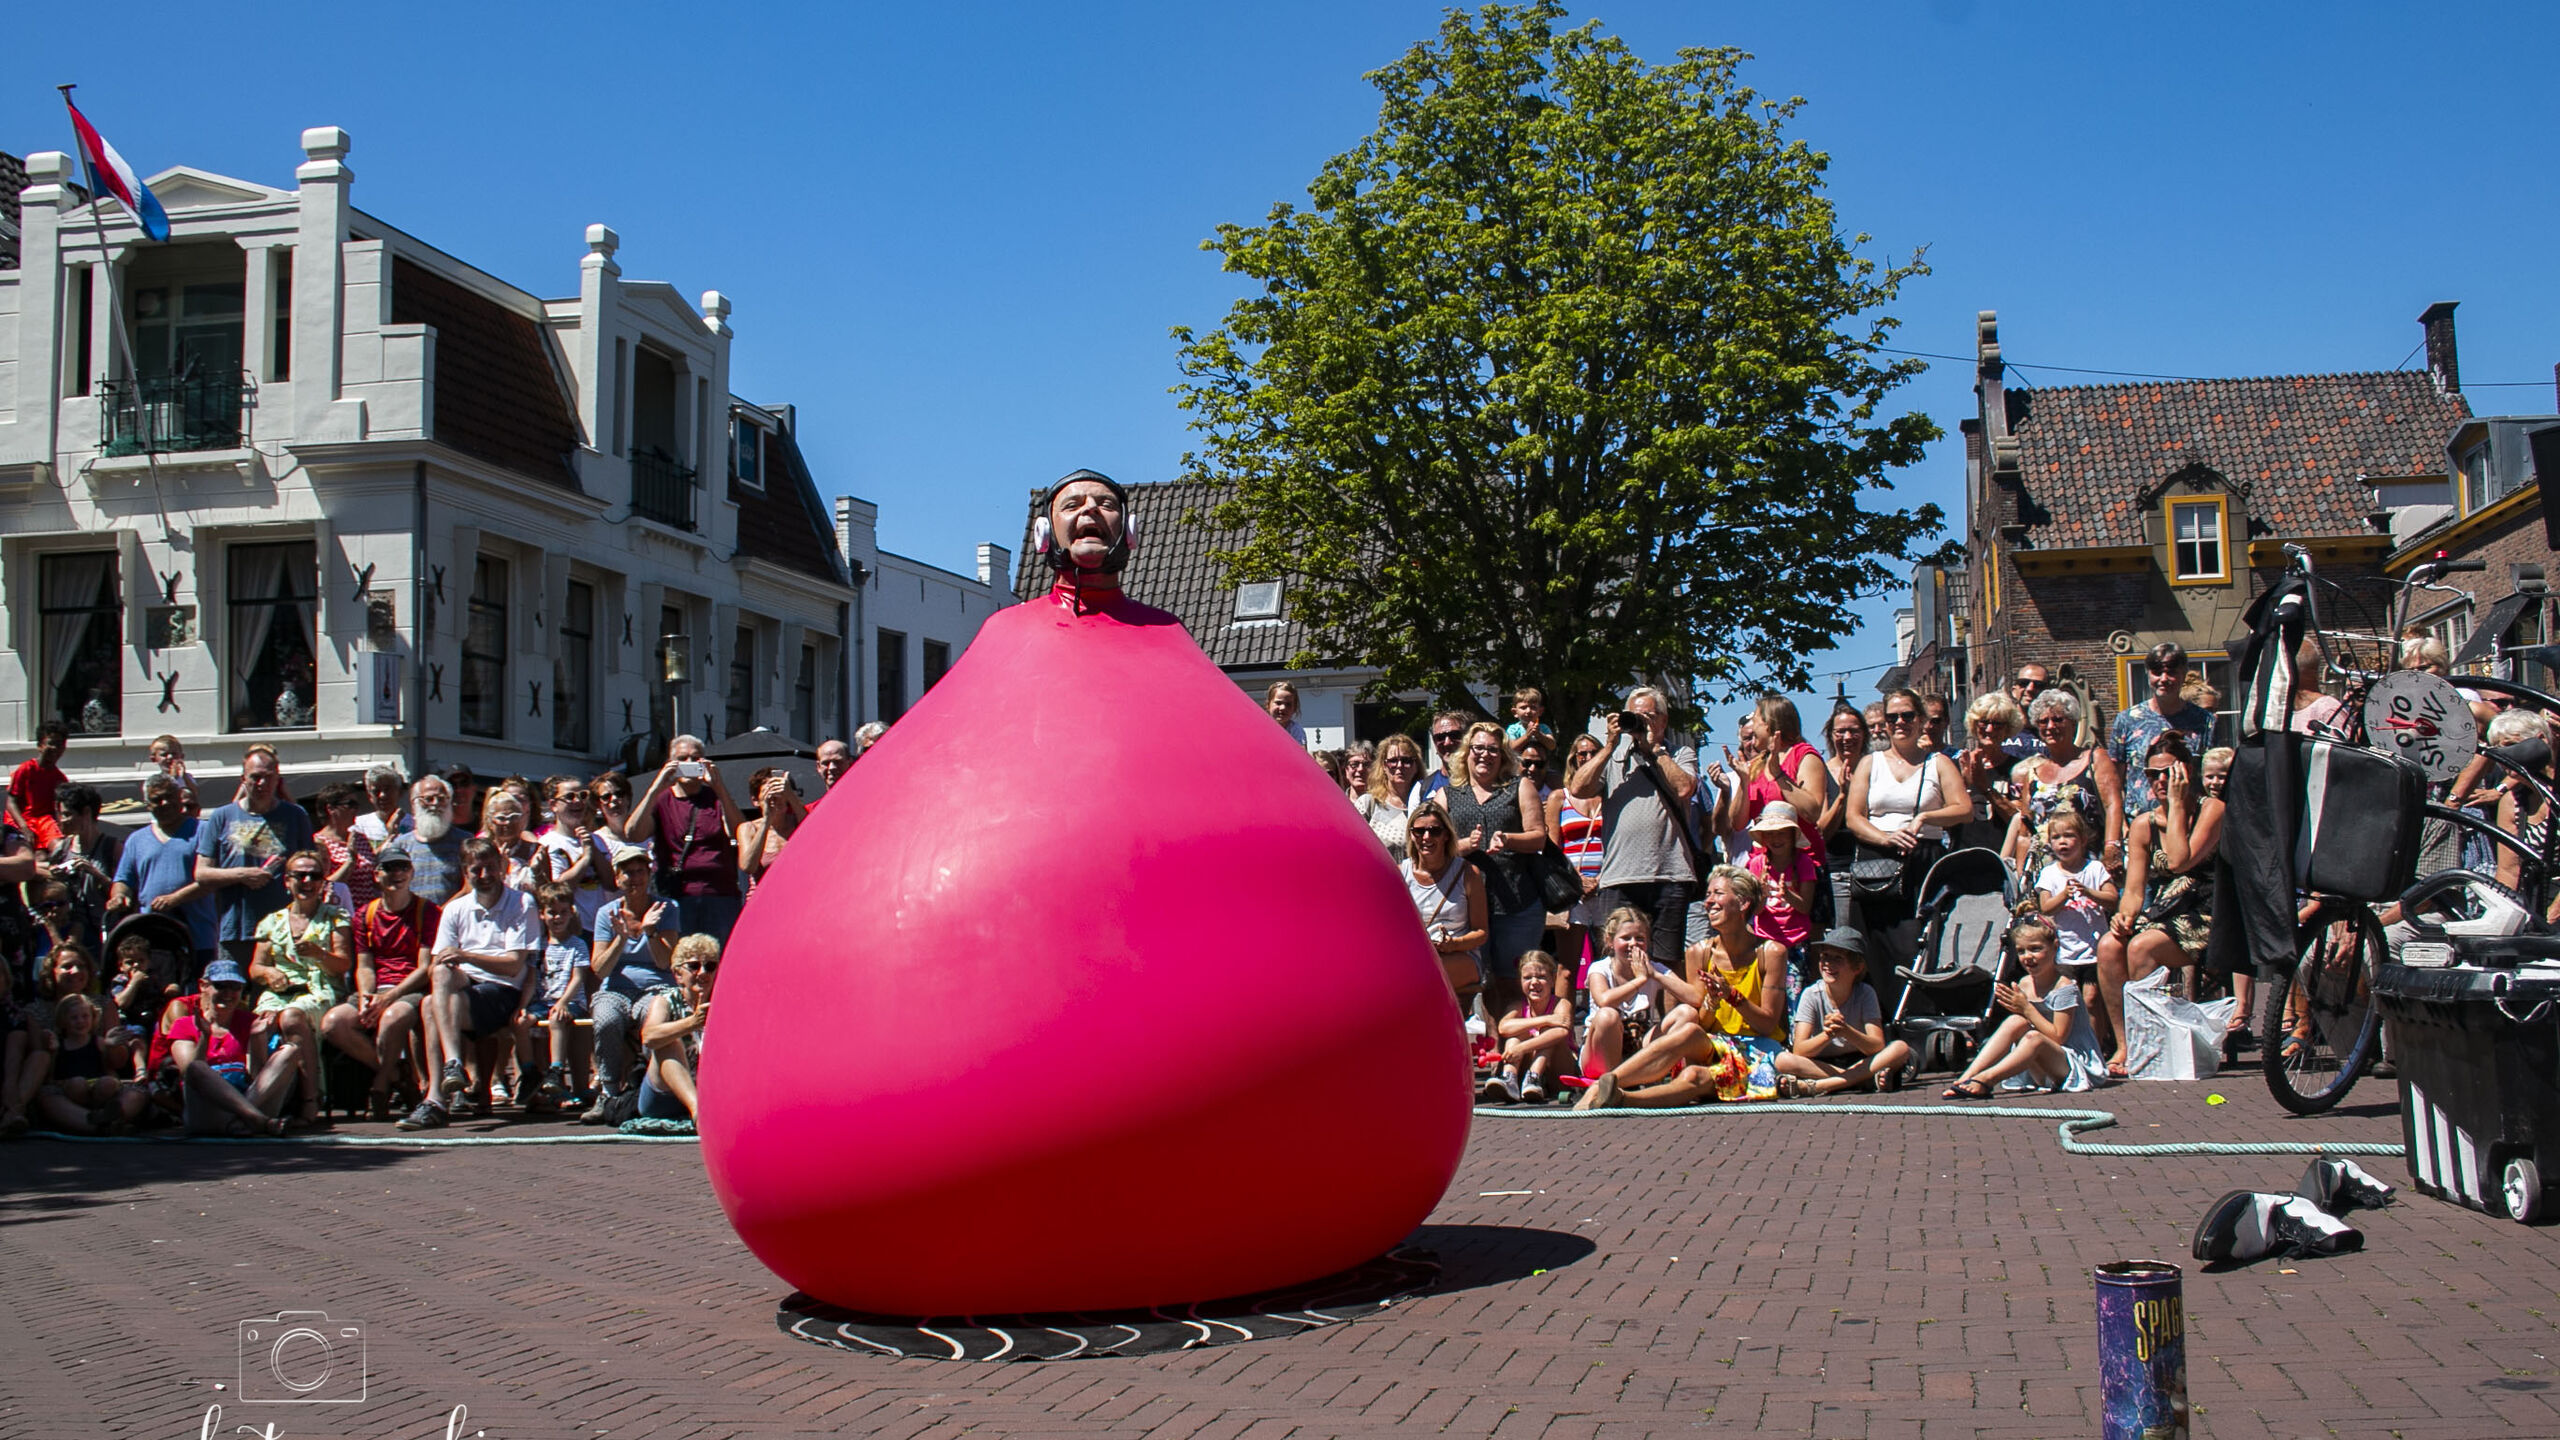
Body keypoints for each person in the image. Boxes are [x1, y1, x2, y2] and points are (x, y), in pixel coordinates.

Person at [1577, 868, 1784, 1107]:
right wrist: (1713, 1002)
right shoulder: (1699, 951)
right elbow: (1702, 1017)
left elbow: (1767, 1025)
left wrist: (1731, 996)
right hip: (1713, 1044)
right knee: (1689, 1027)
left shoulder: (1771, 952)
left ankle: (1618, 1096)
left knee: (1692, 1075)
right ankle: (1605, 1083)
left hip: (1751, 1047)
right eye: (1708, 894)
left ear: (1743, 903)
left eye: (1717, 893)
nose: (1708, 902)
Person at [2095, 732, 2224, 1079]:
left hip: (2210, 909)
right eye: (2153, 774)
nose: (2161, 781)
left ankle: (2154, 1042)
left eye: (2169, 772)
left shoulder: (2212, 810)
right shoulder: (2144, 823)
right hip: (2167, 909)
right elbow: (2135, 891)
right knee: (2110, 946)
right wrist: (2123, 915)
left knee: (2142, 948)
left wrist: (2179, 806)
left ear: (2188, 772)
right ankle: (2127, 1043)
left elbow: (2181, 861)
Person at [1842, 690, 1971, 1011]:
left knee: (1915, 947)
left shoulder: (1938, 763)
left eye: (1908, 716)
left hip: (1923, 864)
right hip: (1877, 867)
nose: (1900, 723)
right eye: (1892, 717)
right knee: (1874, 954)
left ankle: (1918, 1028)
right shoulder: (1870, 764)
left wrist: (1925, 816)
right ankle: (1881, 1029)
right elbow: (1854, 817)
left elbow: (1963, 808)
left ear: (1922, 721)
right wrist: (1885, 838)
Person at [402, 839, 538, 1129]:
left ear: (502, 866)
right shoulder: (455, 909)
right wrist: (454, 962)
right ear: (465, 871)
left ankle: (436, 1099)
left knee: (429, 1007)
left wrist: (465, 956)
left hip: (503, 989)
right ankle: (450, 1071)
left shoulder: (521, 903)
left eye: (491, 867)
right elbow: (437, 962)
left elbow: (514, 964)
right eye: (477, 870)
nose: (485, 875)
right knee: (438, 978)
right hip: (465, 987)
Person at [1566, 686, 1702, 958]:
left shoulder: (1679, 753)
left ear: (1663, 720)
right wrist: (1608, 746)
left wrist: (1655, 749)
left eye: (1649, 716)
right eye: (1634, 715)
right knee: (1618, 963)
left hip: (1670, 875)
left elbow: (1685, 788)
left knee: (1665, 964)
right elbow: (1578, 788)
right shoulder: (1615, 756)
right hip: (1620, 877)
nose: (1640, 721)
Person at [1443, 721, 1547, 1022]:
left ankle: (1516, 1052)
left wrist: (1509, 839)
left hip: (1517, 902)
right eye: (1478, 748)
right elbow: (1432, 844)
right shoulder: (1449, 795)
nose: (1485, 755)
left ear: (1503, 756)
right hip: (1468, 905)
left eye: (1493, 750)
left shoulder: (1519, 786)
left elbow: (1539, 836)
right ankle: (1493, 1051)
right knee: (1480, 982)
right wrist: (1464, 845)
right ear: (1467, 753)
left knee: (1515, 980)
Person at [325, 847, 436, 1119]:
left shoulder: (428, 911)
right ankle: (398, 1074)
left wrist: (388, 998)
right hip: (377, 988)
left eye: (402, 868)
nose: (396, 874)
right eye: (389, 868)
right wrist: (366, 997)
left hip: (411, 989)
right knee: (333, 1023)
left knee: (391, 1018)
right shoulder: (365, 914)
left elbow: (425, 968)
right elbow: (364, 965)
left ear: (411, 873)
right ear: (376, 875)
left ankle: (380, 1085)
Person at [1944, 916, 2103, 1097]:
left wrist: (2027, 1009)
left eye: (2036, 949)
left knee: (2033, 1037)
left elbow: (2059, 1037)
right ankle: (1967, 1076)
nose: (2028, 957)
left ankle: (1986, 1079)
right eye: (2021, 951)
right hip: (2041, 1065)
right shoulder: (2024, 983)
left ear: (2055, 947)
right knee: (2015, 1021)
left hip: (2073, 1064)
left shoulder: (2064, 987)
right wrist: (2021, 1011)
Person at [248, 848, 350, 1129]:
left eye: (314, 875)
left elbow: (343, 965)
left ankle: (309, 1100)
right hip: (280, 991)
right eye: (299, 875)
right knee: (258, 1027)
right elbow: (255, 968)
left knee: (292, 1016)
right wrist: (269, 973)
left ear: (323, 881)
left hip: (320, 989)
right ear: (287, 881)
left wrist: (320, 954)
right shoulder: (271, 922)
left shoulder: (335, 916)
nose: (307, 881)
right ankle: (262, 1100)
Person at [583, 842, 681, 1123]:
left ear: (649, 874)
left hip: (656, 986)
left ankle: (656, 1092)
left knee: (656, 1023)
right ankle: (609, 1093)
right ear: (617, 878)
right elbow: (600, 969)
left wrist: (650, 932)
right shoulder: (607, 914)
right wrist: (622, 937)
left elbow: (666, 962)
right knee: (606, 1020)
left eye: (640, 871)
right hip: (616, 988)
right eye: (628, 873)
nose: (634, 878)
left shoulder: (667, 908)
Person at [194, 746, 314, 972]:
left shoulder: (296, 816)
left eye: (268, 778)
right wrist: (242, 875)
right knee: (233, 996)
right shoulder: (222, 816)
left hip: (283, 930)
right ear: (243, 779)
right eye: (255, 777)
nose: (262, 784)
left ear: (278, 779)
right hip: (235, 930)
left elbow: (311, 868)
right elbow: (201, 874)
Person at [624, 735, 745, 942]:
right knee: (681, 961)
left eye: (695, 758)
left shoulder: (716, 798)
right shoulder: (662, 800)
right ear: (671, 764)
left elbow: (739, 831)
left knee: (715, 961)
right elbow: (633, 833)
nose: (689, 764)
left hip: (719, 896)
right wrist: (656, 787)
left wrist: (719, 787)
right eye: (682, 759)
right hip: (678, 896)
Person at [152, 959, 292, 1136]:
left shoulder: (250, 1022)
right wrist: (205, 1036)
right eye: (221, 986)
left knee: (289, 1051)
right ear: (203, 986)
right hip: (206, 1110)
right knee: (196, 1066)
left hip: (250, 1098)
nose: (228, 993)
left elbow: (256, 1077)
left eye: (235, 987)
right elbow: (190, 1075)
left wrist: (257, 1038)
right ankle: (257, 1120)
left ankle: (244, 1119)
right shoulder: (184, 1025)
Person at [108, 776, 217, 986]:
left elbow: (212, 878)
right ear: (148, 805)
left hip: (198, 935)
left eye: (169, 797)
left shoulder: (202, 831)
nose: (165, 803)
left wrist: (175, 898)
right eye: (157, 799)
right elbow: (123, 879)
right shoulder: (136, 840)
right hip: (153, 937)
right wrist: (119, 896)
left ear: (179, 797)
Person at [1777, 928, 1913, 1095]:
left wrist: (1846, 1031)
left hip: (1860, 1060)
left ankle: (1821, 1086)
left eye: (1837, 958)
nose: (1828, 963)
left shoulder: (1865, 993)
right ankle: (1860, 1080)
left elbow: (1876, 1046)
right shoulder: (1811, 995)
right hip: (1822, 1063)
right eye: (1825, 956)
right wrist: (1829, 1034)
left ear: (1857, 967)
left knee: (1900, 1048)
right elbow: (1800, 1050)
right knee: (1783, 1060)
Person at [2004, 689, 2123, 878]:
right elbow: (2025, 833)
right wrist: (2021, 875)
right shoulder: (2033, 773)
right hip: (2046, 875)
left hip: (2089, 868)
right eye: (2043, 721)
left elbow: (2113, 805)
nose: (2050, 726)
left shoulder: (2095, 758)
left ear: (2073, 723)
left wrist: (2111, 848)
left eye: (2058, 719)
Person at [2032, 809, 2118, 1053]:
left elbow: (2112, 899)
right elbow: (2046, 907)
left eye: (2068, 836)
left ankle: (2095, 1048)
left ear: (2082, 839)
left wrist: (2090, 892)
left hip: (2094, 952)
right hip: (2065, 953)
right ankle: (2071, 1048)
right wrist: (2064, 895)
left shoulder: (2094, 869)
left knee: (2091, 1001)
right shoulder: (2049, 874)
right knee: (2067, 1002)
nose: (2062, 842)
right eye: (2056, 837)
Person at [2109, 643, 2216, 828]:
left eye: (2171, 672)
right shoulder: (2127, 720)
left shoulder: (2204, 721)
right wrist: (2122, 829)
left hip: (2189, 826)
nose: (2163, 679)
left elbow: (2211, 776)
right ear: (2148, 674)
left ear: (2184, 674)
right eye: (2157, 672)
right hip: (2139, 827)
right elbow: (2114, 782)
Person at [1577, 907, 1688, 1078]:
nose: (1633, 944)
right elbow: (1604, 1000)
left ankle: (1643, 1074)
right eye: (1625, 938)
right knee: (1608, 1016)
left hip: (1638, 1047)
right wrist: (1640, 981)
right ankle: (1613, 1082)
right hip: (1599, 1055)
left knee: (1685, 1013)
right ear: (1610, 941)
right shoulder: (1599, 968)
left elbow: (1694, 998)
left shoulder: (1652, 969)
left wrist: (1655, 975)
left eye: (1640, 938)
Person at [1722, 695, 1830, 865]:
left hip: (1802, 866)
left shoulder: (1803, 755)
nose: (1752, 729)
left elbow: (1812, 812)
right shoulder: (1757, 764)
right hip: (1763, 865)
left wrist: (1778, 774)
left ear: (1769, 724)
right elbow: (1737, 823)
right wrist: (1744, 781)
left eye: (1756, 721)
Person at [518, 880, 593, 1114]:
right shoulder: (538, 946)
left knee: (556, 1018)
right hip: (544, 1001)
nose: (557, 918)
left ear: (570, 913)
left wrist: (562, 1002)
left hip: (570, 1001)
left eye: (562, 912)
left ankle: (556, 1070)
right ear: (542, 914)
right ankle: (530, 1073)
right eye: (552, 912)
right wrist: (522, 1007)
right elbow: (531, 979)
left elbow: (578, 977)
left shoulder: (577, 944)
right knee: (520, 1022)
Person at [1402, 801, 1488, 1001]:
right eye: (1419, 831)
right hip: (1417, 957)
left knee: (1421, 974)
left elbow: (1481, 933)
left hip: (1460, 955)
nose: (1426, 837)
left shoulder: (1467, 873)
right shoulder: (1402, 874)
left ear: (1446, 835)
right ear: (1411, 835)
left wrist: (1454, 944)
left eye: (1434, 831)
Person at [28, 992, 148, 1135]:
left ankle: (103, 1117)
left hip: (98, 1086)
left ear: (93, 1018)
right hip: (71, 1089)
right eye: (74, 1018)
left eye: (85, 1016)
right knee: (77, 1084)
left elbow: (109, 1068)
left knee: (108, 1083)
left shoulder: (98, 1041)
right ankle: (103, 1122)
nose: (80, 1021)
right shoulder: (59, 1044)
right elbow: (51, 1075)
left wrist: (111, 1047)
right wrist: (52, 1051)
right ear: (63, 1021)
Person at [633, 933, 721, 1127]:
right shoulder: (665, 1000)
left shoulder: (724, 1001)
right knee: (668, 1042)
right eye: (694, 966)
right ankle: (698, 1111)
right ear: (678, 974)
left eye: (710, 966)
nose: (703, 973)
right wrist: (692, 1023)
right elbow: (649, 1037)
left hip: (712, 1092)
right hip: (664, 1097)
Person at [1546, 732, 1608, 985]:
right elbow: (1551, 849)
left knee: (1610, 965)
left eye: (1594, 753)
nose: (1588, 758)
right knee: (1568, 968)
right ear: (1573, 759)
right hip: (1573, 890)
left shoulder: (1611, 795)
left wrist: (1601, 880)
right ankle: (1564, 1022)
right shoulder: (1559, 798)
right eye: (1582, 753)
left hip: (1607, 885)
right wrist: (1577, 880)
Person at [1742, 802, 1818, 997]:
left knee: (1795, 994)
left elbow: (1805, 907)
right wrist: (1762, 894)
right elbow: (1756, 911)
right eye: (1770, 833)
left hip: (1796, 940)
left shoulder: (1804, 863)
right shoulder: (1757, 864)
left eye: (1781, 832)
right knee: (1767, 994)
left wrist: (1788, 895)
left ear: (1793, 835)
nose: (1775, 839)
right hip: (1766, 939)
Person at [1487, 950, 1574, 1104]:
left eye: (1541, 977)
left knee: (1548, 1033)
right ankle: (1510, 1078)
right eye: (1527, 978)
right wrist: (1546, 1019)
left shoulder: (1561, 1004)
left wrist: (1521, 1048)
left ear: (1553, 980)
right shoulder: (1518, 1006)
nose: (1534, 982)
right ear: (1520, 982)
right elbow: (1503, 1028)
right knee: (1515, 1036)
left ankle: (1535, 1078)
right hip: (1525, 1068)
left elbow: (1561, 1030)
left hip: (1559, 1070)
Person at [535, 776, 614, 931]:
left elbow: (611, 884)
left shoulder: (597, 840)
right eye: (569, 797)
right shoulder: (548, 844)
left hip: (600, 929)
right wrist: (586, 859)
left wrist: (593, 849)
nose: (577, 801)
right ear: (553, 805)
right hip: (571, 930)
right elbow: (557, 892)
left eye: (582, 796)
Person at [1952, 693, 2029, 850]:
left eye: (1998, 724)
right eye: (1984, 722)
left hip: (2003, 857)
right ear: (1974, 724)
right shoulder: (1958, 765)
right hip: (1963, 856)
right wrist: (1964, 785)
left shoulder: (2018, 769)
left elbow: (2021, 822)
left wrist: (1986, 788)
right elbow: (1947, 820)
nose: (1990, 729)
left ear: (2008, 728)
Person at [383, 775, 465, 905]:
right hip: (412, 922)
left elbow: (469, 889)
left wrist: (441, 913)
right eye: (428, 799)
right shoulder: (401, 846)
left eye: (442, 799)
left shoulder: (464, 842)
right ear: (414, 803)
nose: (435, 804)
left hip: (452, 921)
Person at [311, 782, 380, 917]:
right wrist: (350, 862)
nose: (355, 810)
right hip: (338, 915)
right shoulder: (318, 843)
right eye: (350, 804)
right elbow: (321, 887)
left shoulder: (359, 839)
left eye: (356, 805)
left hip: (366, 915)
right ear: (330, 808)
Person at [736, 767, 807, 890]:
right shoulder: (748, 828)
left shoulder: (798, 822)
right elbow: (748, 866)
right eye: (768, 794)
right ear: (756, 800)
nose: (775, 799)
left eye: (779, 793)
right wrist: (767, 821)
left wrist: (790, 795)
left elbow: (814, 832)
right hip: (763, 899)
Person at [1356, 734, 1423, 862]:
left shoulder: (1425, 804)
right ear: (1384, 767)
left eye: (1406, 761)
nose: (1399, 766)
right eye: (1393, 761)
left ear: (1416, 766)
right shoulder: (1368, 804)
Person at [7, 722, 70, 850]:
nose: (55, 748)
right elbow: (11, 802)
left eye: (60, 744)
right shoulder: (25, 769)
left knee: (59, 849)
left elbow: (57, 810)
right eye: (51, 743)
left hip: (44, 822)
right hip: (22, 821)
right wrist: (23, 827)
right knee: (31, 854)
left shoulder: (60, 779)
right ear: (40, 746)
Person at [477, 790, 541, 892]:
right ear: (490, 822)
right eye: (501, 818)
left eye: (514, 817)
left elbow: (547, 890)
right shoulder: (481, 852)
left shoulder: (536, 851)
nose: (508, 822)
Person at [352, 764, 412, 849]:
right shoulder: (359, 825)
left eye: (388, 789)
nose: (382, 795)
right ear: (369, 796)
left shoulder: (414, 824)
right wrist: (390, 836)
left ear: (400, 792)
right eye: (376, 791)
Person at [1420, 711, 1472, 802]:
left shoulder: (1483, 782)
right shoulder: (1422, 788)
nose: (1447, 742)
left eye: (1454, 735)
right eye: (1440, 737)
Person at [2005, 664, 2053, 759]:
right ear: (2014, 690)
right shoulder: (1999, 728)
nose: (2030, 689)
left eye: (2039, 685)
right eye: (2024, 683)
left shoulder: (2053, 731)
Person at [148, 734, 200, 812]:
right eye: (164, 755)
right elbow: (161, 798)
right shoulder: (154, 780)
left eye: (174, 754)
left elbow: (194, 794)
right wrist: (172, 777)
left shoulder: (187, 777)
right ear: (154, 759)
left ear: (181, 756)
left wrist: (184, 776)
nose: (170, 757)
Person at [1264, 682, 1308, 748]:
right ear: (1268, 705)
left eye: (1288, 704)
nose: (1283, 708)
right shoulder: (1261, 727)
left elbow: (1302, 755)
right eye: (1278, 703)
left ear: (1294, 708)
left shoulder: (1296, 730)